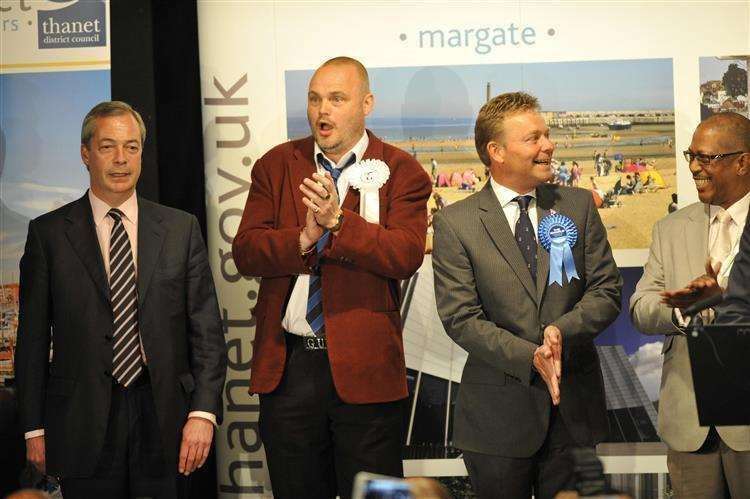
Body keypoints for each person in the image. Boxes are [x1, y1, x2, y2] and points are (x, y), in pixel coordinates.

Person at [231, 57, 431, 499]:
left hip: (367, 373)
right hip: (290, 372)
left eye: (337, 99)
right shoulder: (277, 165)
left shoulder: (402, 171)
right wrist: (303, 237)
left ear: (366, 103)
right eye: (315, 99)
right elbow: (245, 252)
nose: (323, 111)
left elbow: (405, 254)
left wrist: (340, 223)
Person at [14, 101, 227, 499]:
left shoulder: (180, 229)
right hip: (79, 421)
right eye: (108, 146)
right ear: (85, 153)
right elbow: (32, 340)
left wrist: (203, 413)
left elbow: (208, 333)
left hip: (165, 417)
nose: (120, 159)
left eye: (131, 147)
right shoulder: (48, 235)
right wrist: (33, 427)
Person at [432, 92, 622, 499]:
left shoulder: (577, 206)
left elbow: (606, 291)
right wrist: (528, 356)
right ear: (496, 151)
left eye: (547, 135)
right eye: (533, 138)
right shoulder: (456, 222)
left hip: (574, 414)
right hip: (496, 420)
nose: (548, 146)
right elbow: (460, 318)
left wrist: (559, 331)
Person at [630, 112, 750, 498]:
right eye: (690, 156)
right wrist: (681, 310)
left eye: (706, 158)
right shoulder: (670, 229)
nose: (694, 167)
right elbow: (641, 307)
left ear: (742, 161)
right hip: (690, 427)